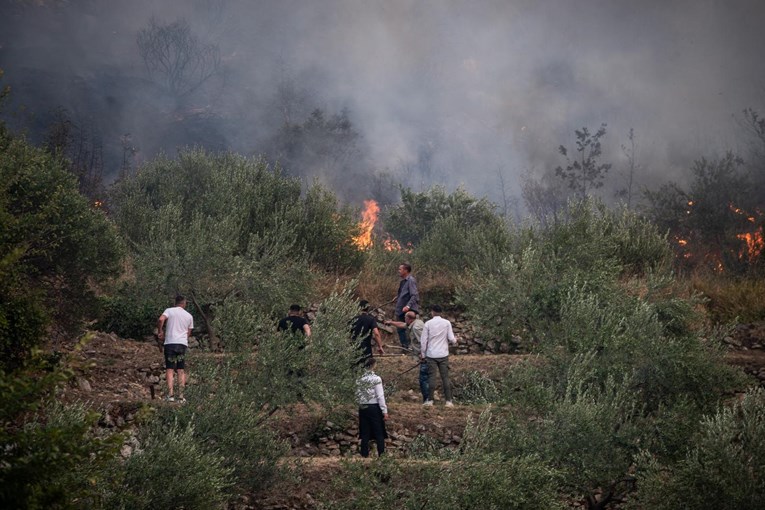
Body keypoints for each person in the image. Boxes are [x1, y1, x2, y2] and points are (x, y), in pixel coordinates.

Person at [157, 295, 194, 403]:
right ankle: (181, 397)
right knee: (181, 370)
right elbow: (189, 332)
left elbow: (160, 319)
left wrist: (160, 331)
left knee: (170, 369)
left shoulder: (169, 311)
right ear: (184, 303)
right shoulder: (189, 316)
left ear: (175, 302)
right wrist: (183, 339)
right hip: (182, 344)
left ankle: (170, 395)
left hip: (170, 343)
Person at [385, 311, 428, 402]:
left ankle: (427, 399)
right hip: (423, 354)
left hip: (425, 356)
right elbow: (403, 324)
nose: (404, 319)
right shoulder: (416, 322)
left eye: (405, 317)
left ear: (409, 318)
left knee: (423, 378)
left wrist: (422, 354)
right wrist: (392, 322)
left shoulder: (416, 328)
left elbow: (423, 341)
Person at [420, 304, 457, 407]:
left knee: (432, 377)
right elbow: (451, 339)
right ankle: (448, 401)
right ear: (441, 312)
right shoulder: (446, 323)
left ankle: (430, 400)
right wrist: (456, 340)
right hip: (443, 354)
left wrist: (423, 354)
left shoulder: (428, 323)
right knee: (445, 377)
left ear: (432, 312)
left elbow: (423, 341)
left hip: (431, 354)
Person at [356, 357, 388, 457]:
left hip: (362, 406)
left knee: (365, 432)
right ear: (373, 365)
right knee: (379, 432)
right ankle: (381, 455)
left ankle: (364, 455)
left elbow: (357, 394)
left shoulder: (359, 378)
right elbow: (380, 396)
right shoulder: (376, 379)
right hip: (374, 406)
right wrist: (384, 410)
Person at [393, 263, 419, 349]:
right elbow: (404, 294)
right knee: (400, 329)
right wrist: (397, 298)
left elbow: (414, 295)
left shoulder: (411, 280)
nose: (399, 271)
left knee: (410, 328)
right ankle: (405, 347)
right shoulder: (402, 282)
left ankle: (412, 347)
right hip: (401, 309)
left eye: (400, 269)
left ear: (406, 270)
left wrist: (408, 306)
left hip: (408, 309)